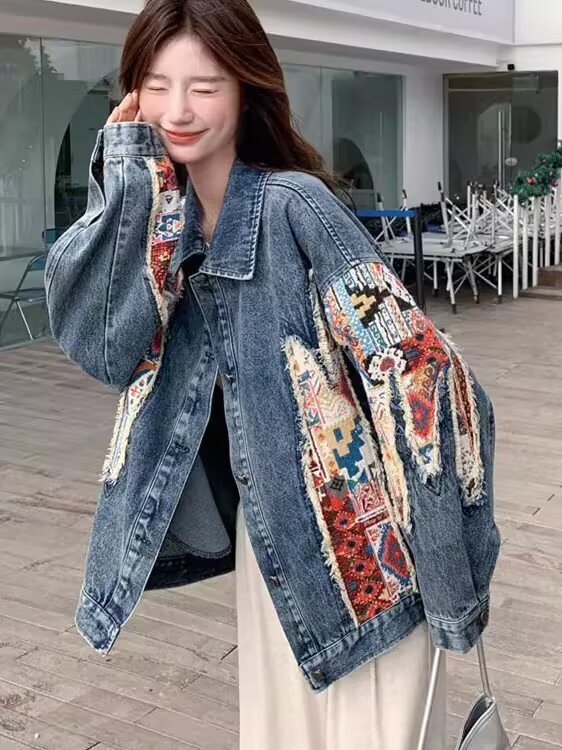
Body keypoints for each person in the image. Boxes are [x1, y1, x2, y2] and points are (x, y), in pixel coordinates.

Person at [45, 0, 501, 747]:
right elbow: (102, 347)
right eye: (156, 86)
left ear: (245, 87)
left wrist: (450, 576)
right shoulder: (163, 228)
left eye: (205, 85)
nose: (178, 109)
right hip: (275, 552)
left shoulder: (295, 206)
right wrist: (129, 173)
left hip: (371, 564)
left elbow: (416, 369)